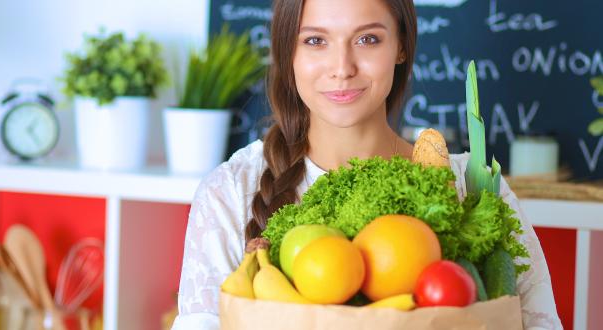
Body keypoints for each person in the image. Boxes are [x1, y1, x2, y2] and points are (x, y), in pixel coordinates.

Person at [172, 0, 562, 329]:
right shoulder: (231, 192)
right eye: (315, 40)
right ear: (288, 52)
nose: (342, 67)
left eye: (367, 39)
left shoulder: (473, 189)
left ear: (402, 46)